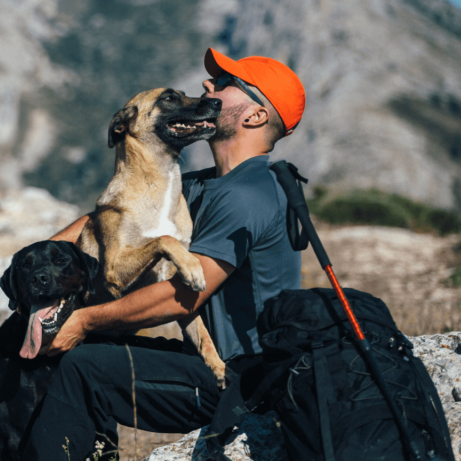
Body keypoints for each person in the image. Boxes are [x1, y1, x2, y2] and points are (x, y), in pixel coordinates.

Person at [19, 48, 308, 461]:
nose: (208, 86)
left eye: (225, 84)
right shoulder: (203, 185)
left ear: (255, 116)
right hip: (209, 363)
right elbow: (109, 219)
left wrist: (81, 321)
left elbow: (181, 296)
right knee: (90, 359)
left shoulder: (250, 194)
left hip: (242, 379)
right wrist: (37, 265)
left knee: (83, 369)